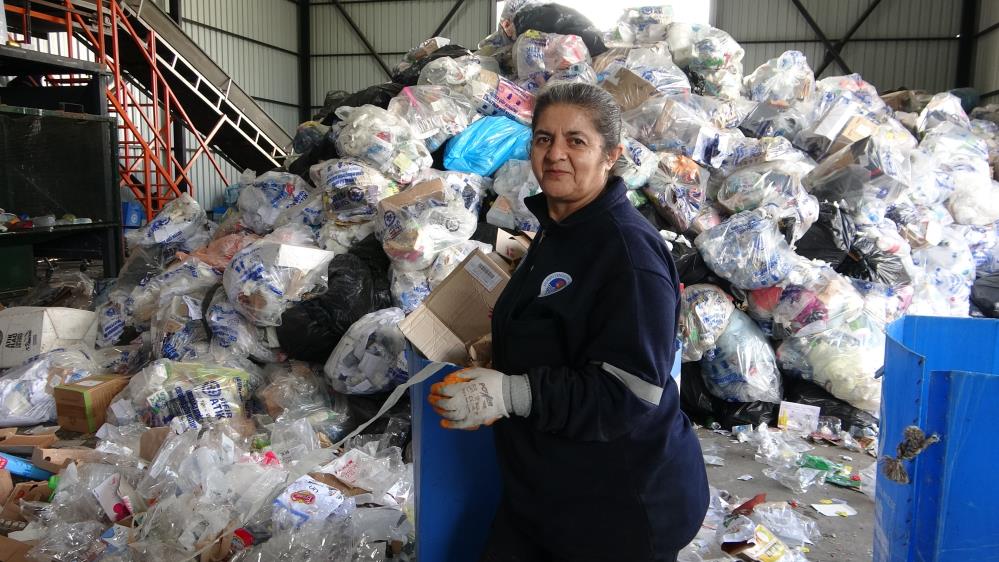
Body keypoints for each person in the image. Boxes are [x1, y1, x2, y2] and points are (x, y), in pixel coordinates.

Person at [429, 82, 709, 562]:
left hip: (617, 505)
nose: (555, 154)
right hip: (547, 491)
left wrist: (509, 393)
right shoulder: (560, 229)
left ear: (610, 155)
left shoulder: (625, 252)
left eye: (576, 141)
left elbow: (631, 392)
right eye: (543, 138)